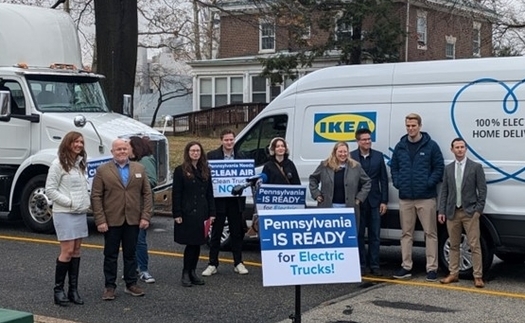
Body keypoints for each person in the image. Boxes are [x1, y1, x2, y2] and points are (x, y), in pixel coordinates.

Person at [91, 139, 153, 300]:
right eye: (118, 149)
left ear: (129, 151)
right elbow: (96, 196)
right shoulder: (103, 170)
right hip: (111, 220)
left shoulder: (139, 168)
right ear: (112, 152)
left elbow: (147, 193)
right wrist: (100, 220)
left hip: (133, 219)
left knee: (130, 254)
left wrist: (146, 216)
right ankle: (109, 287)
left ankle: (131, 284)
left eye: (124, 149)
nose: (122, 152)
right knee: (110, 255)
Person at [390, 113, 444, 281]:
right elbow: (394, 167)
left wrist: (429, 183)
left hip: (426, 197)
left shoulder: (431, 146)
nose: (410, 128)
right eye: (408, 126)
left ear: (420, 126)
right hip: (405, 197)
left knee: (430, 233)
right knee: (406, 234)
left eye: (413, 125)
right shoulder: (400, 146)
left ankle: (432, 268)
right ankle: (406, 266)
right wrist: (399, 183)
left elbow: (439, 167)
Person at [45, 131, 91, 306]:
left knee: (77, 250)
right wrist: (69, 202)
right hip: (64, 212)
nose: (79, 145)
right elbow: (50, 190)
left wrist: (83, 204)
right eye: (75, 142)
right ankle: (58, 291)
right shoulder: (58, 165)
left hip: (79, 212)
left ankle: (73, 290)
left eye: (81, 142)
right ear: (67, 143)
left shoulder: (79, 164)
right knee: (68, 250)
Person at [438, 138, 487, 288]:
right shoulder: (448, 169)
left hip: (470, 212)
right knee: (454, 244)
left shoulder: (475, 167)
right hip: (452, 212)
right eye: (457, 147)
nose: (460, 150)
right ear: (452, 149)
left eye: (462, 147)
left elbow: (482, 190)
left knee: (474, 245)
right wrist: (442, 210)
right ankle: (453, 273)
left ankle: (478, 276)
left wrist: (478, 210)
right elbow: (444, 191)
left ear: (466, 149)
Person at [203, 130, 248, 277]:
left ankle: (238, 262)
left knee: (237, 233)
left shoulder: (242, 157)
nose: (229, 142)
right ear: (221, 140)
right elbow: (207, 179)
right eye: (226, 140)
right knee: (216, 233)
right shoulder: (212, 156)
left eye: (231, 140)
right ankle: (212, 263)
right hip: (219, 201)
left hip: (235, 201)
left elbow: (247, 179)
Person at [172, 141, 216, 287]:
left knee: (198, 244)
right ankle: (186, 273)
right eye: (192, 151)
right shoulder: (180, 170)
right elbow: (176, 193)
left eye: (197, 150)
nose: (195, 153)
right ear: (188, 152)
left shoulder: (206, 170)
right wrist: (177, 213)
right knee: (190, 244)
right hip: (187, 212)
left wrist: (212, 213)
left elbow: (210, 193)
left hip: (202, 213)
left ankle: (193, 272)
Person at [351, 128, 388, 276]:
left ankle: (374, 265)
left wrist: (384, 201)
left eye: (369, 139)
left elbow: (383, 180)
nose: (367, 142)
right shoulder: (351, 156)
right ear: (358, 141)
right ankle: (361, 265)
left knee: (375, 235)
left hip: (374, 201)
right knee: (359, 235)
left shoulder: (378, 156)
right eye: (364, 139)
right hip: (358, 201)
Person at [309, 141, 371, 228]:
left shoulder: (355, 166)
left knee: (347, 235)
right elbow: (313, 179)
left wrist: (359, 198)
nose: (343, 154)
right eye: (340, 152)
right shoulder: (325, 165)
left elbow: (367, 182)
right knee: (328, 233)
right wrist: (316, 194)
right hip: (328, 206)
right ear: (335, 152)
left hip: (348, 207)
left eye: (345, 152)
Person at [129, 136, 157, 284]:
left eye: (129, 147)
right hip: (129, 207)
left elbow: (152, 181)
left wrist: (134, 183)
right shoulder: (130, 163)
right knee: (129, 240)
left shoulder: (145, 161)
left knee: (140, 240)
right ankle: (132, 268)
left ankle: (144, 269)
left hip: (141, 206)